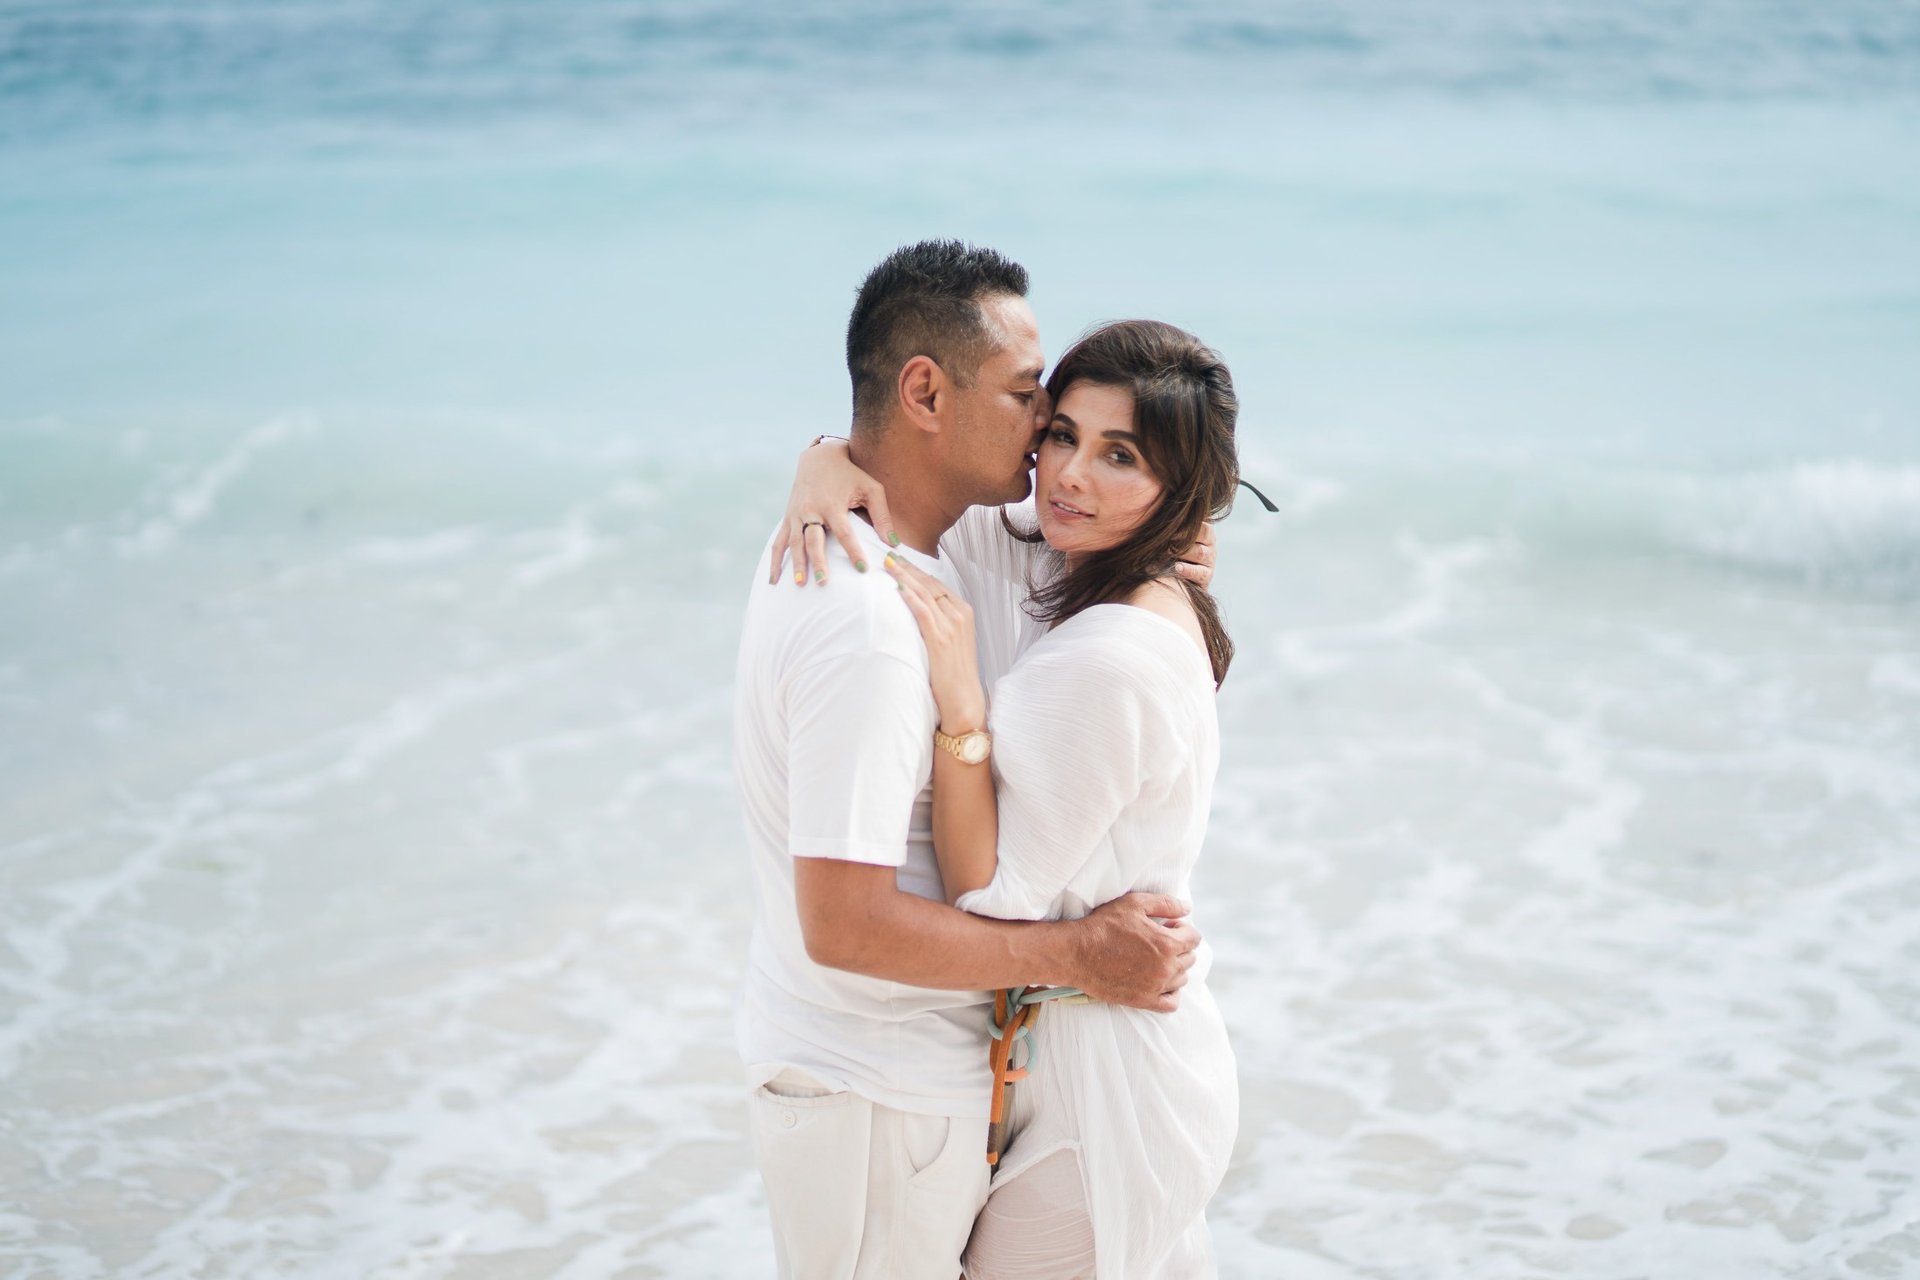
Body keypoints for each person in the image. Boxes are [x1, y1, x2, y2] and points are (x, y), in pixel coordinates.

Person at [733, 241, 1206, 1280]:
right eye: (1031, 396)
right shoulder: (868, 617)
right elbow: (844, 921)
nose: (1048, 434)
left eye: (1103, 444)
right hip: (871, 1083)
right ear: (925, 392)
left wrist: (825, 452)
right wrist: (1080, 954)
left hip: (893, 1076)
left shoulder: (932, 548)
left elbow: (1134, 535)